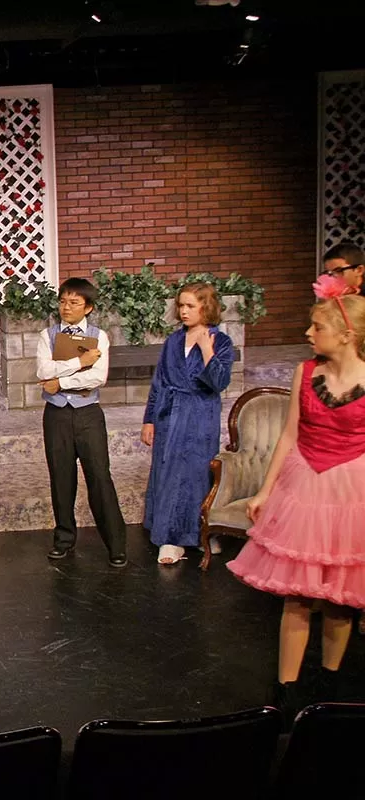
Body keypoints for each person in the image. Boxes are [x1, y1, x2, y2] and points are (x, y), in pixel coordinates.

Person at [228, 275, 365, 721]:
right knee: (298, 596)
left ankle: (329, 681)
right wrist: (265, 491)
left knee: (340, 598)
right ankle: (286, 689)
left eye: (317, 327)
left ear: (346, 335)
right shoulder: (305, 373)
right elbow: (288, 436)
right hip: (304, 485)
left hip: (351, 492)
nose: (308, 333)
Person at [141, 283, 235, 565]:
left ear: (206, 307)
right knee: (169, 473)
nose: (183, 311)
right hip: (169, 414)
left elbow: (219, 382)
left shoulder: (221, 341)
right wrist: (149, 419)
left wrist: (206, 350)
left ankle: (199, 533)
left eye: (190, 306)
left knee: (197, 474)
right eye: (181, 305)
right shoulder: (173, 341)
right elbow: (159, 382)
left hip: (200, 415)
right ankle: (170, 538)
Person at [36, 277, 128, 566]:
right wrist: (80, 362)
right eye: (63, 301)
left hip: (88, 414)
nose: (66, 307)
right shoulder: (48, 335)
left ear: (88, 307)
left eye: (74, 303)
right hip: (57, 415)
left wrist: (60, 382)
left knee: (99, 476)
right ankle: (64, 540)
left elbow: (98, 377)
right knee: (61, 478)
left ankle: (116, 545)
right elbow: (44, 371)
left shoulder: (99, 337)